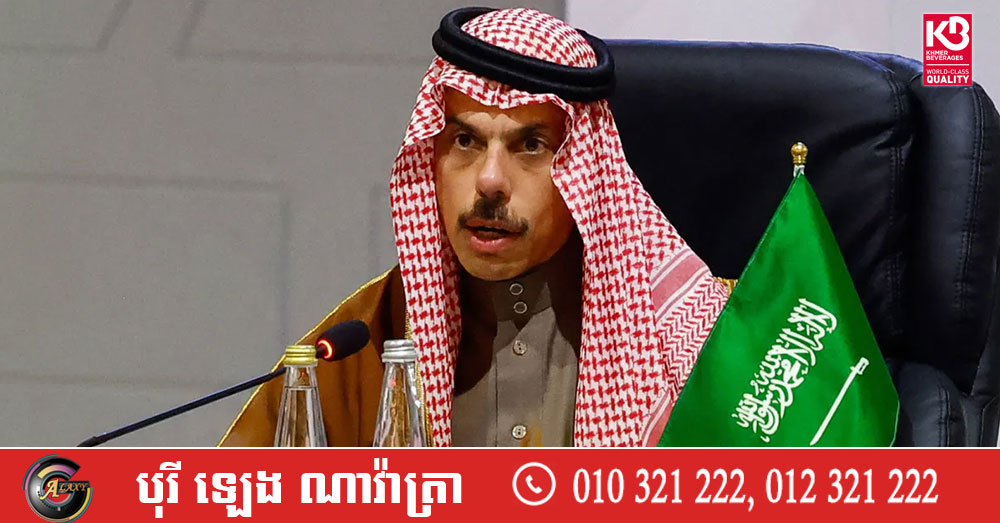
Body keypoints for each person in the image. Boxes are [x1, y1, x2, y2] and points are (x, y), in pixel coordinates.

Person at [219, 6, 729, 448]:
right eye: (465, 141)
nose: (489, 181)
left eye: (530, 146)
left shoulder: (690, 339)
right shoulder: (363, 342)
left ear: (585, 170)